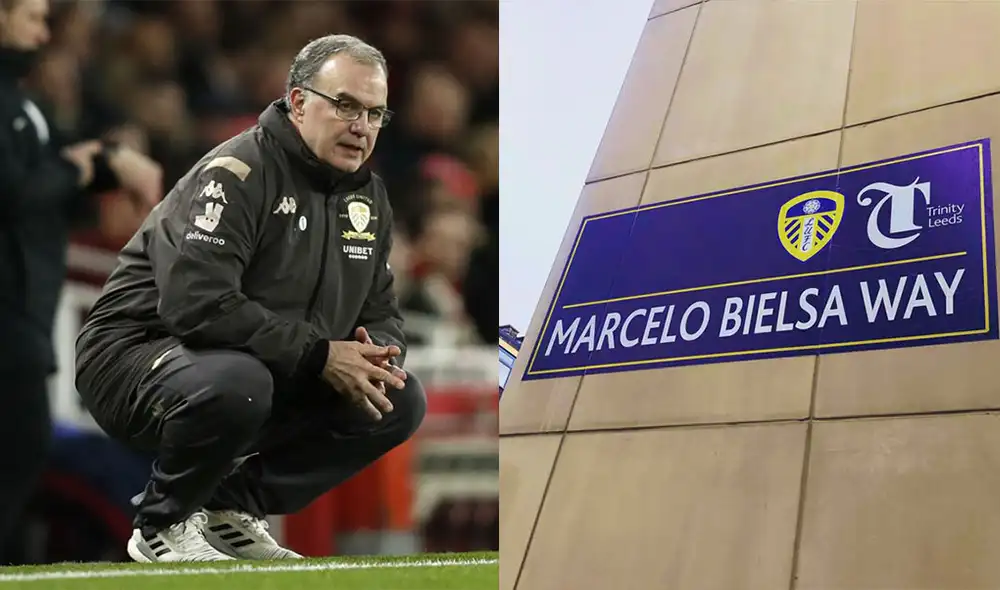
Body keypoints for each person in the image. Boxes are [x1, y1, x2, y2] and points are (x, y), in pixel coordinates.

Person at [74, 34, 427, 563]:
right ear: (299, 102)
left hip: (254, 362)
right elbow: (197, 305)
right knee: (240, 382)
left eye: (376, 114)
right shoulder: (238, 173)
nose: (362, 126)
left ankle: (229, 507)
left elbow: (378, 308)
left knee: (395, 398)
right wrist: (320, 355)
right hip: (134, 356)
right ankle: (162, 522)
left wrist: (372, 355)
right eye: (347, 105)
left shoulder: (368, 197)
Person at [0, 0, 161, 559]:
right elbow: (18, 188)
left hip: (23, 318)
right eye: (33, 18)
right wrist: (90, 165)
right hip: (10, 320)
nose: (44, 33)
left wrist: (99, 161)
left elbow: (37, 175)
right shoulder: (7, 105)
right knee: (18, 461)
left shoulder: (19, 105)